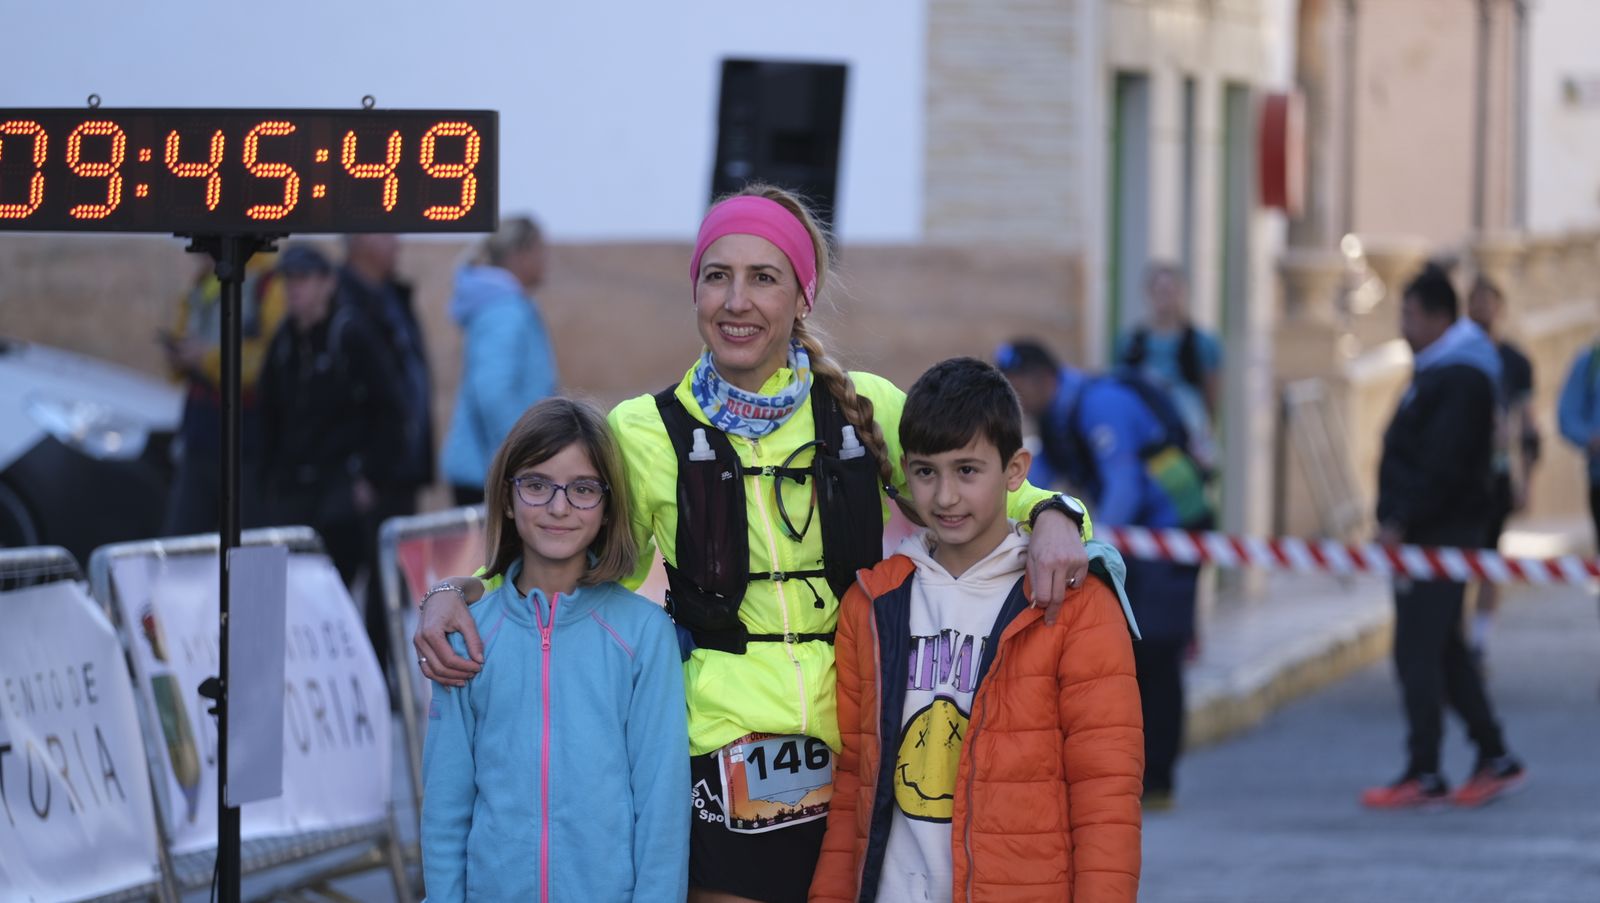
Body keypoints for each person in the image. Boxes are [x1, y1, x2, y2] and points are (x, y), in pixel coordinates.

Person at [414, 184, 1093, 903]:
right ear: (696, 291)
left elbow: (996, 495)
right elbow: (559, 560)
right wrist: (449, 592)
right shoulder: (645, 431)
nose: (736, 301)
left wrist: (1055, 516)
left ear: (801, 296)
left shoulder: (866, 408)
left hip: (867, 735)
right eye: (718, 276)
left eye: (763, 278)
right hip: (722, 748)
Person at [808, 357, 1142, 903]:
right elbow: (853, 788)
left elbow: (1107, 794)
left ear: (1015, 471)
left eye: (967, 470)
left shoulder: (1075, 604)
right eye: (925, 472)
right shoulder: (870, 605)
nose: (944, 497)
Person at [421, 397, 688, 902]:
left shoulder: (643, 634)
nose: (559, 507)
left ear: (609, 506)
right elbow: (445, 807)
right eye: (537, 485)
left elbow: (661, 810)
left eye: (583, 489)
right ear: (506, 497)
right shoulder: (467, 637)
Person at [997, 339, 1208, 810]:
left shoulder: (1099, 404)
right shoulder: (1057, 415)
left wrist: (1092, 545)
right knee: (1134, 650)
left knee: (1157, 649)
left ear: (1038, 380)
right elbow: (1041, 486)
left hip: (1172, 529)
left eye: (1017, 391)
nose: (1017, 405)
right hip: (1142, 538)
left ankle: (1158, 781)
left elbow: (1124, 484)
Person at [1365, 265, 1525, 809]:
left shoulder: (1459, 377)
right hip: (1432, 530)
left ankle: (1425, 770)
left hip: (1438, 532)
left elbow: (1441, 462)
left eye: (1408, 314)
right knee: (1446, 649)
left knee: (1416, 651)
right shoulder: (1442, 370)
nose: (1402, 325)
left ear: (1436, 317)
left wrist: (1399, 519)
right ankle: (1494, 755)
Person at [256, 245, 405, 585]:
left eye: (304, 278)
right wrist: (267, 482)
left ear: (328, 283)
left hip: (339, 491)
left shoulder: (349, 334)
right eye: (289, 279)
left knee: (335, 586)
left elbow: (391, 409)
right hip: (293, 491)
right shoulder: (284, 342)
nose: (294, 288)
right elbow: (267, 415)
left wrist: (370, 477)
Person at [337, 233, 432, 675]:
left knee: (390, 586)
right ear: (357, 241)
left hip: (399, 470)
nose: (399, 243)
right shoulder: (342, 304)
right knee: (357, 582)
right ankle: (360, 677)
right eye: (387, 234)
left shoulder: (392, 297)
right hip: (365, 477)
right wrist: (357, 468)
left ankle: (381, 676)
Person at [159, 254, 285, 535]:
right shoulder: (200, 286)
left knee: (253, 545)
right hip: (199, 435)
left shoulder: (269, 285)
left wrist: (206, 359)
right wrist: (180, 356)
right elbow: (185, 332)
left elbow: (269, 361)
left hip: (249, 438)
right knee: (182, 544)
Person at [441, 216, 558, 506]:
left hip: (495, 467)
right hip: (494, 473)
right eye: (539, 250)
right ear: (518, 253)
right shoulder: (505, 310)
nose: (545, 259)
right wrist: (522, 460)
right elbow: (494, 392)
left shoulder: (506, 305)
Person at [1465, 275, 1539, 659]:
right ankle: (1456, 639)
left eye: (1488, 302)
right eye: (1475, 302)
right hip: (1459, 477)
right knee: (1455, 557)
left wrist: (1526, 480)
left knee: (1489, 556)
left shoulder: (1515, 362)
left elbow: (1528, 427)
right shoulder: (1456, 355)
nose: (1482, 310)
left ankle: (1479, 641)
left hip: (1495, 475)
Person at [1116, 262, 1221, 472]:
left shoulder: (1201, 342)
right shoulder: (1131, 342)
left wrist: (1205, 426)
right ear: (1149, 294)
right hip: (1146, 428)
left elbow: (1211, 391)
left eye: (1171, 291)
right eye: (1160, 291)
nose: (1165, 297)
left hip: (1186, 426)